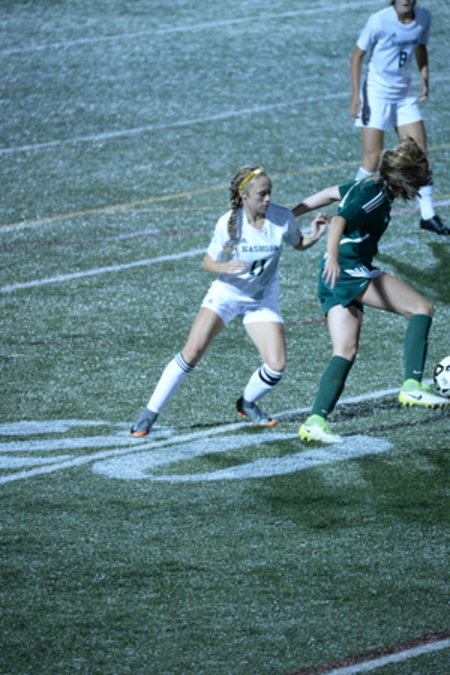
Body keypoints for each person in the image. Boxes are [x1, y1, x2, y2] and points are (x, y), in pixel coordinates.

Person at [130, 166, 327, 437]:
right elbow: (208, 262)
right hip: (227, 296)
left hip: (261, 301)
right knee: (192, 352)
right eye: (262, 194)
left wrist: (314, 235)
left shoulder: (282, 217)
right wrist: (223, 268)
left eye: (270, 192)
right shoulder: (228, 223)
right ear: (244, 195)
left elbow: (298, 243)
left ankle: (247, 403)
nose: (268, 199)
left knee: (276, 365)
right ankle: (149, 414)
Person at [291, 137, 450, 444]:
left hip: (334, 276)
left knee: (345, 351)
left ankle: (314, 422)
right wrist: (333, 256)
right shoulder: (375, 195)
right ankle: (412, 386)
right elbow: (339, 220)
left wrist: (289, 214)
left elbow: (328, 194)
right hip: (348, 270)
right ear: (404, 178)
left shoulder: (367, 186)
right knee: (421, 308)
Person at [349, 0, 449, 236]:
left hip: (403, 95)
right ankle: (350, 212)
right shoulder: (379, 20)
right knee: (372, 159)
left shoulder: (423, 17)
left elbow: (420, 46)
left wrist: (424, 74)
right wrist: (356, 96)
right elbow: (356, 57)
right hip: (376, 94)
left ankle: (427, 215)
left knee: (420, 154)